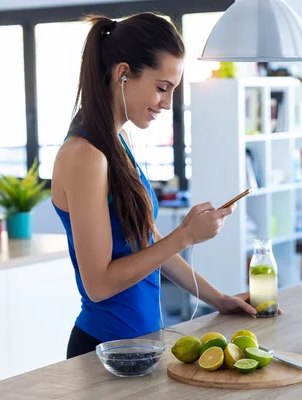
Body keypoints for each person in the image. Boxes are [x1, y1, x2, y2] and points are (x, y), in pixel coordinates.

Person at [51, 12, 257, 360]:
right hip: (103, 352)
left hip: (141, 345)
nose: (167, 103)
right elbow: (98, 285)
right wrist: (186, 235)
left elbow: (147, 241)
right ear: (123, 74)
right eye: (162, 88)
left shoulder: (118, 140)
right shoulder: (84, 156)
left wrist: (219, 299)